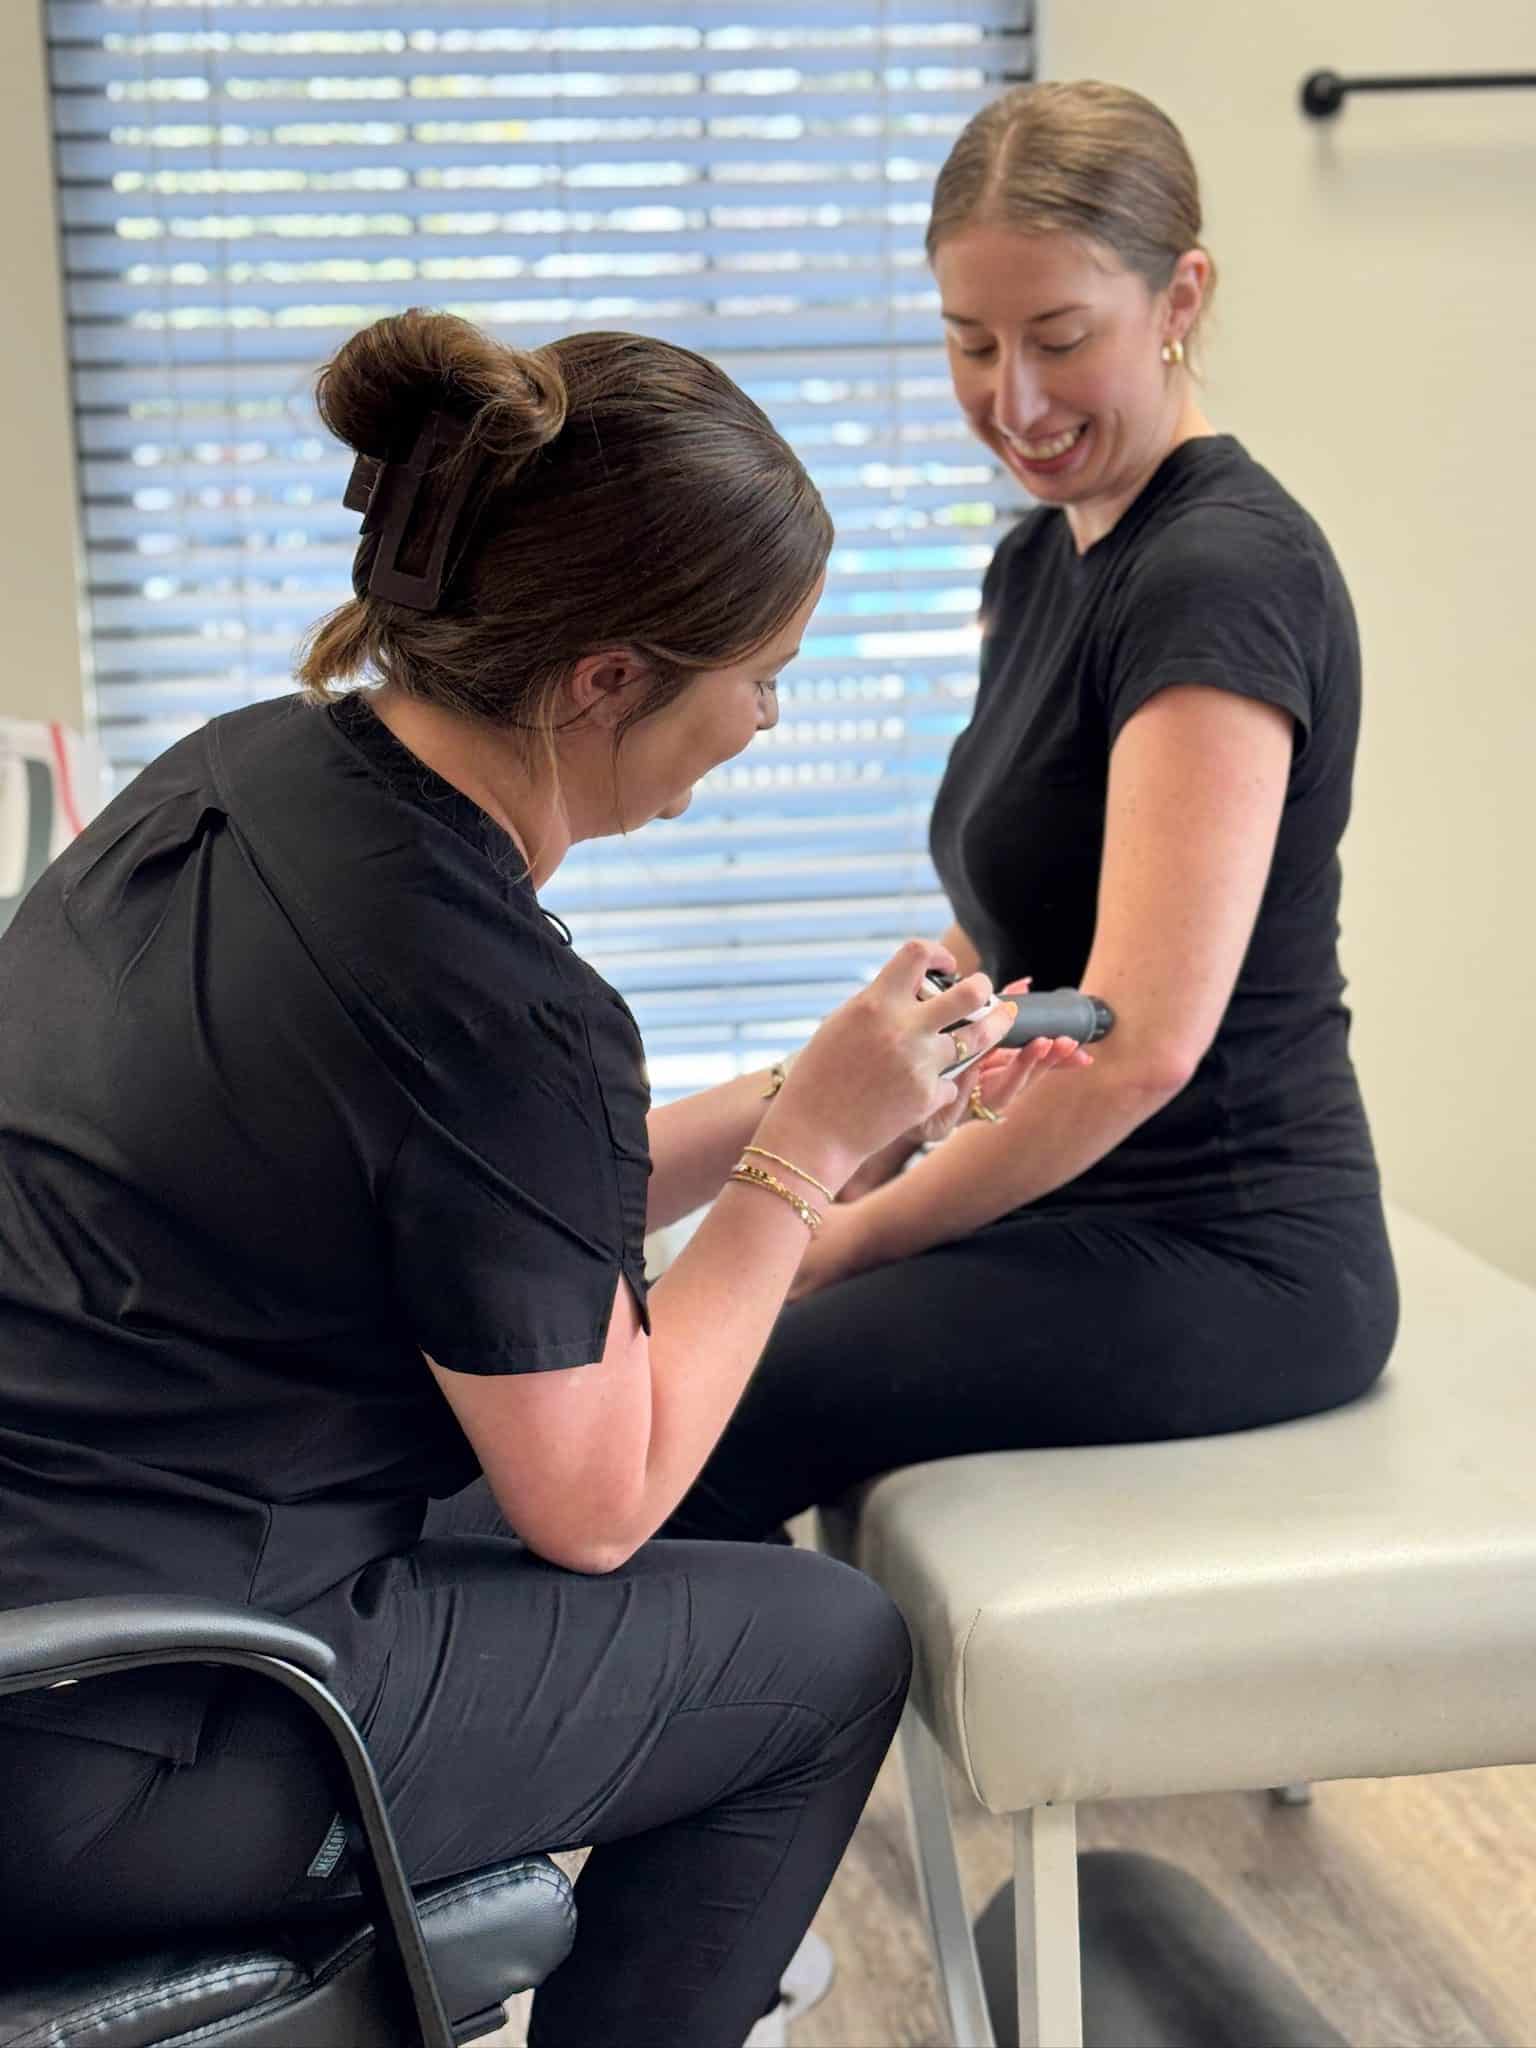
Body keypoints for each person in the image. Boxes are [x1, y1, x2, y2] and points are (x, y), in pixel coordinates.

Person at [0, 311, 1083, 2047]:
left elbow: (453, 1191)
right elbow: (604, 1495)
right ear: (607, 681)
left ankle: (680, 1945)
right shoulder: (494, 995)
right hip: (130, 1748)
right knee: (822, 1655)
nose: (768, 714)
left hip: (70, 1608)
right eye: (762, 671)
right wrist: (802, 1167)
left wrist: (809, 1097)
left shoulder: (236, 776)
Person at [664, 79, 1401, 1548]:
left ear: (1180, 292)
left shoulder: (1220, 575)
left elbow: (1135, 1043)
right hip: (1069, 1215)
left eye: (1061, 339)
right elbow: (1007, 923)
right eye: (970, 341)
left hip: (1232, 1249)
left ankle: (694, 1757)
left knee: (713, 1391)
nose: (1014, 400)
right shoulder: (1039, 561)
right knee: (679, 1337)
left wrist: (834, 1236)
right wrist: (851, 1115)